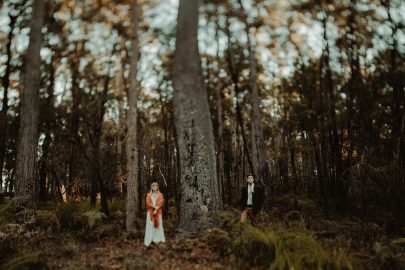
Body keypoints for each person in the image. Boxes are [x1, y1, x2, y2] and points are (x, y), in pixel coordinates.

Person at [144, 182, 166, 247]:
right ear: (151, 187)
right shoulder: (148, 194)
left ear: (157, 187)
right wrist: (154, 207)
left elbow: (161, 202)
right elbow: (147, 203)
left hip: (158, 212)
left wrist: (156, 209)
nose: (154, 187)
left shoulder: (160, 195)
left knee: (159, 225)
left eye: (156, 186)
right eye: (153, 186)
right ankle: (149, 240)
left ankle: (157, 239)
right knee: (150, 226)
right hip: (150, 212)